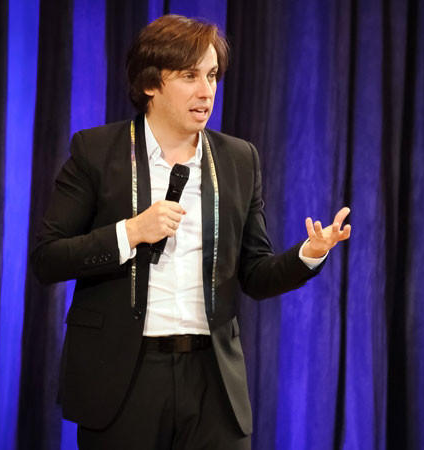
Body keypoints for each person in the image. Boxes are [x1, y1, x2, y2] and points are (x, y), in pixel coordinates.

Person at [30, 14, 350, 449]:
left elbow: (255, 274)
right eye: (189, 76)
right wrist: (131, 232)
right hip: (125, 378)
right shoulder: (97, 152)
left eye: (212, 75)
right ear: (150, 83)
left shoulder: (239, 159)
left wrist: (309, 254)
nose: (206, 91)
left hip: (212, 380)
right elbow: (47, 258)